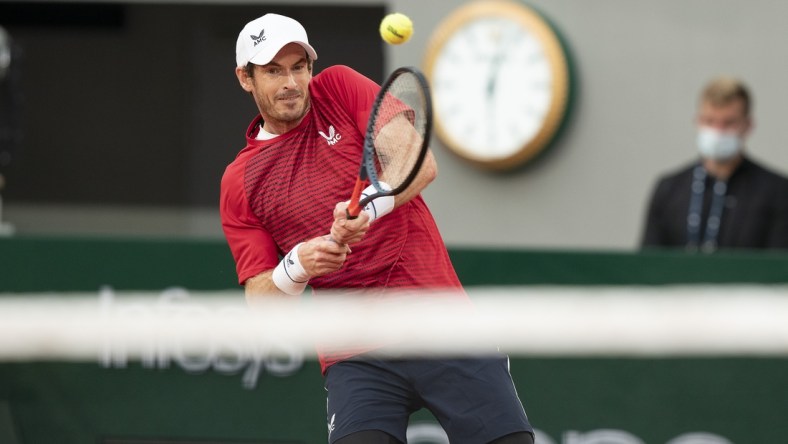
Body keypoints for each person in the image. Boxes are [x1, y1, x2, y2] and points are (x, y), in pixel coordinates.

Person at [220, 13, 534, 444]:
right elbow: (261, 301)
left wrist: (366, 208)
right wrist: (298, 265)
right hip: (356, 353)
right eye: (273, 71)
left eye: (298, 67)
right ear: (245, 78)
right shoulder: (240, 180)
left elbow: (417, 162)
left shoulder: (340, 87)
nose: (290, 82)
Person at [641, 76, 788, 252]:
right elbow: (648, 263)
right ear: (697, 121)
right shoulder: (669, 189)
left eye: (729, 122)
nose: (718, 131)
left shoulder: (776, 191)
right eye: (709, 121)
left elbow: (778, 267)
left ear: (747, 125)